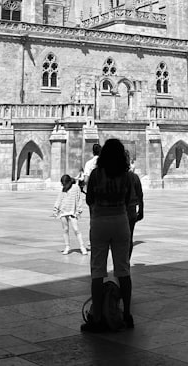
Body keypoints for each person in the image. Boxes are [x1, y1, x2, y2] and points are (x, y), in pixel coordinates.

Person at [81, 138, 133, 332]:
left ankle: (97, 318)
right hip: (120, 221)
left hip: (100, 221)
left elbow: (89, 199)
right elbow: (128, 199)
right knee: (123, 270)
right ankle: (127, 314)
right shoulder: (126, 176)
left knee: (97, 271)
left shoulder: (96, 174)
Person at [53, 174, 87, 255]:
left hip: (72, 211)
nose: (64, 185)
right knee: (65, 229)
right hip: (63, 211)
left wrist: (79, 210)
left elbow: (79, 198)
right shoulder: (63, 189)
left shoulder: (75, 187)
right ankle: (67, 246)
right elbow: (59, 199)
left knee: (76, 229)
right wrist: (56, 209)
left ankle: (82, 247)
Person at [126, 154, 143, 258]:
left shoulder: (113, 177)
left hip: (116, 212)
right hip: (131, 211)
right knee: (129, 238)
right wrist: (141, 211)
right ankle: (125, 264)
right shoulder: (134, 177)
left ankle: (120, 264)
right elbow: (140, 195)